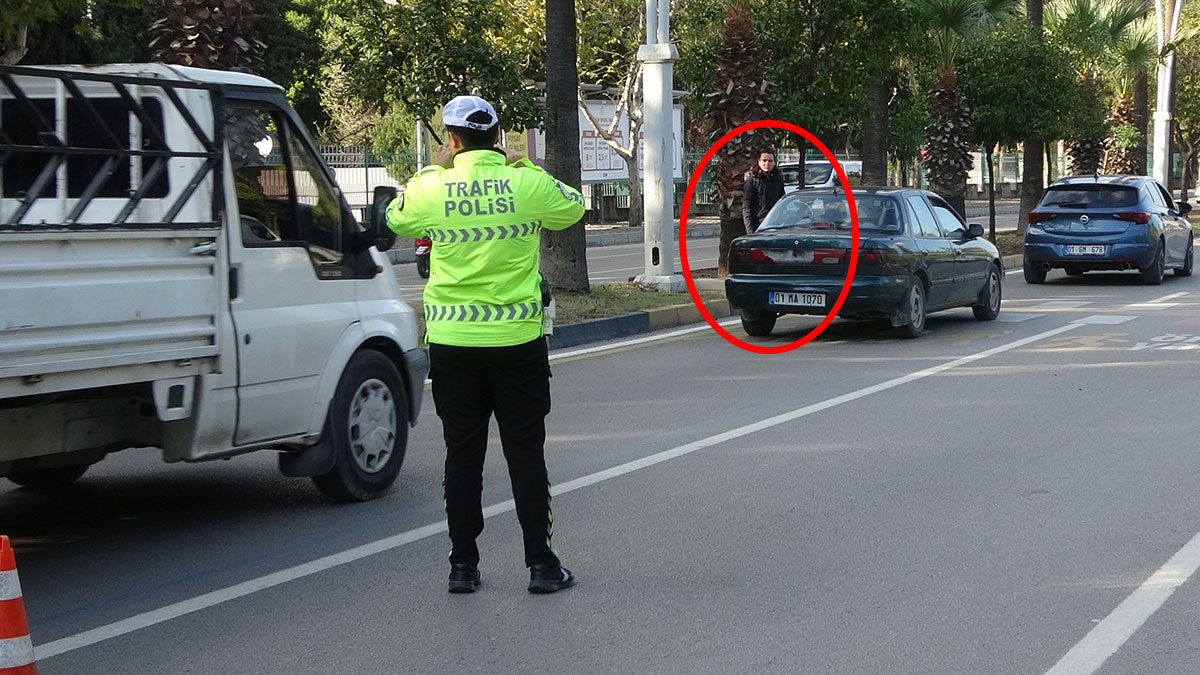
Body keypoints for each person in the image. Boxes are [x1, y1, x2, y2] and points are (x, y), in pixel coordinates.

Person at [386, 95, 585, 594]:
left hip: (455, 344)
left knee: (463, 453)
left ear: (451, 140)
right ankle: (540, 565)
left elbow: (394, 217)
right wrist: (523, 168)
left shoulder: (431, 187)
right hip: (517, 343)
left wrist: (437, 173)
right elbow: (573, 207)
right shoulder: (526, 182)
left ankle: (463, 566)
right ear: (498, 136)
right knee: (525, 453)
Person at [742, 150, 785, 233]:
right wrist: (750, 232)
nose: (767, 164)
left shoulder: (777, 179)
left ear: (774, 163)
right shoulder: (752, 180)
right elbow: (747, 207)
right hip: (758, 225)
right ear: (759, 162)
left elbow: (781, 203)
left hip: (775, 225)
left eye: (770, 161)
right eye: (764, 161)